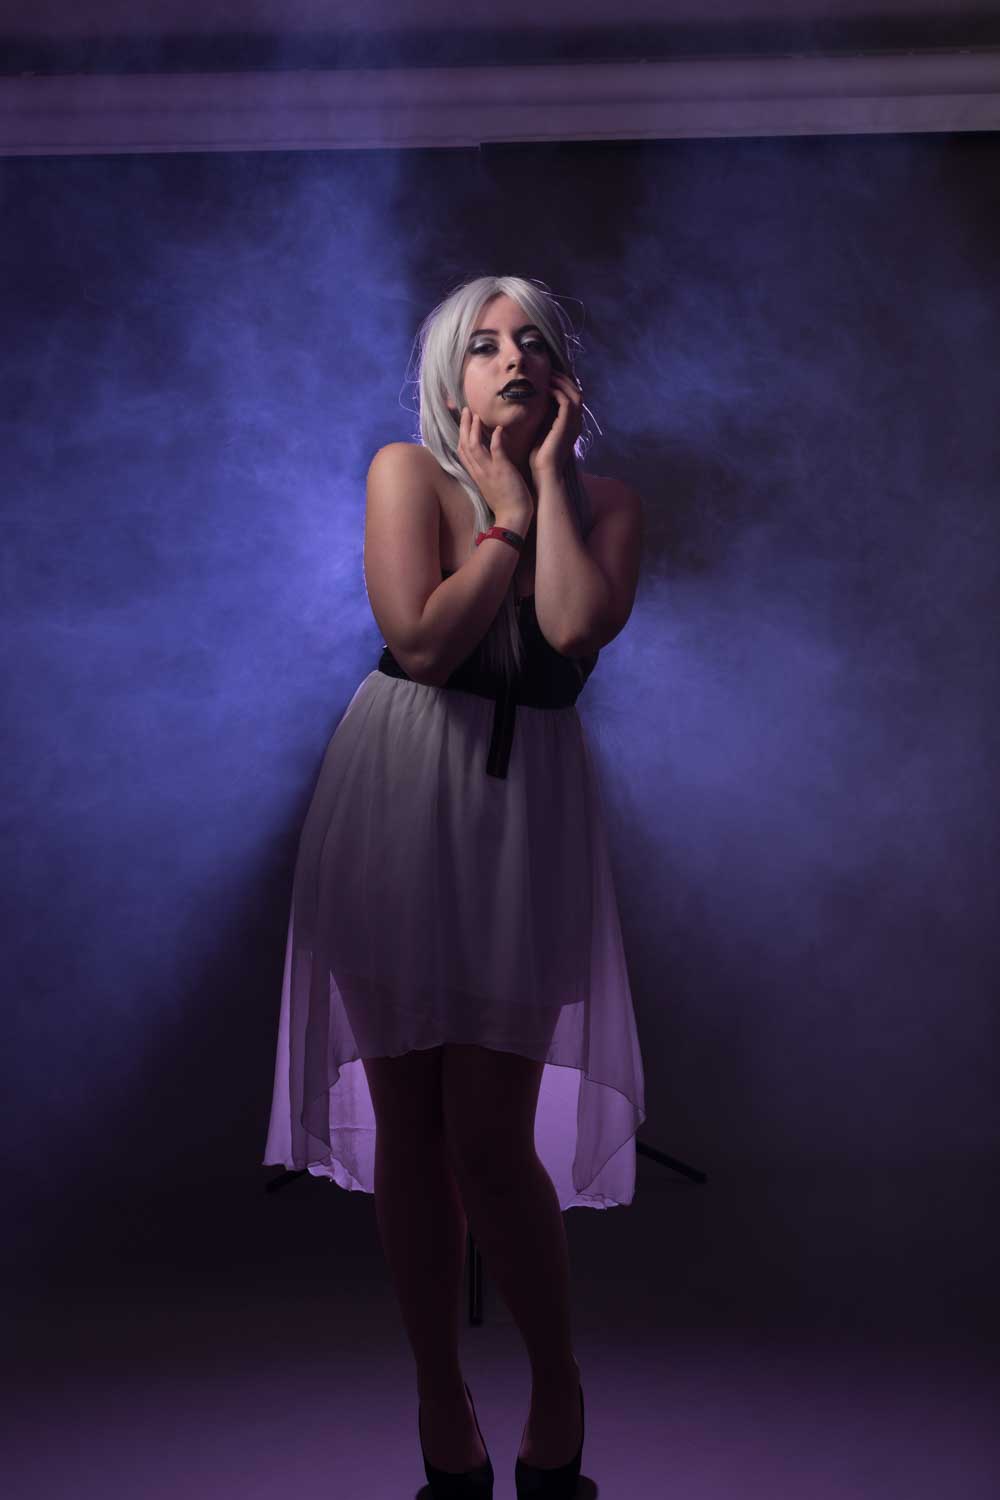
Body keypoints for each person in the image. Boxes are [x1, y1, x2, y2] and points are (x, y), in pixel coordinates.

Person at [263, 275, 646, 1498]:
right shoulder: (400, 473)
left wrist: (536, 493)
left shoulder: (612, 503)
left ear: (564, 377)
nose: (509, 358)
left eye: (532, 341)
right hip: (400, 796)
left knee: (489, 1136)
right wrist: (491, 515)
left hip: (522, 814)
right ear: (447, 378)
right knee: (413, 1137)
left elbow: (570, 634)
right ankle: (439, 1398)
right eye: (482, 345)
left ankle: (557, 1381)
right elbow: (423, 644)